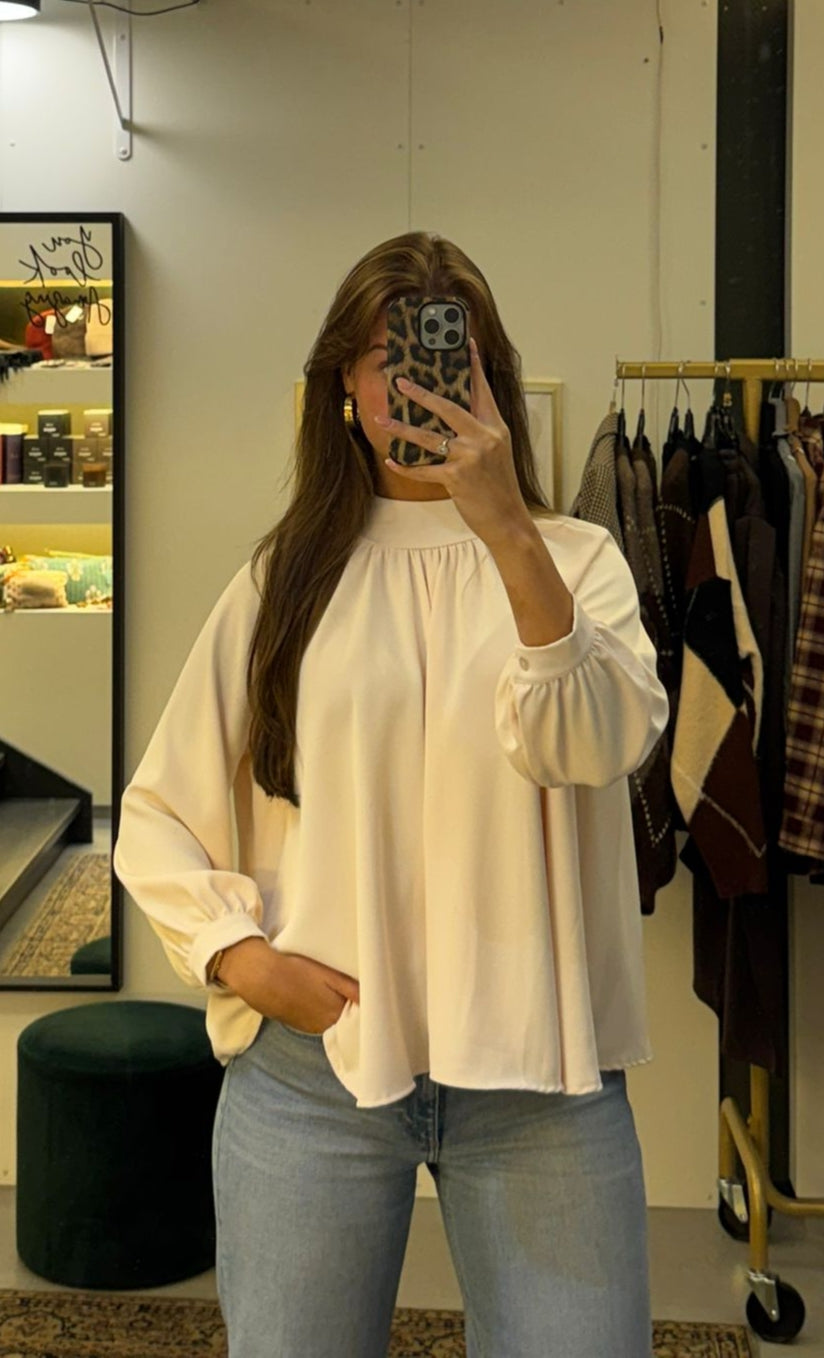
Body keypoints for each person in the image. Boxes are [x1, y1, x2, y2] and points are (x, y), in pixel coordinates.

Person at [114, 230, 669, 1358]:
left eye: (446, 353)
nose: (417, 381)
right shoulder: (284, 581)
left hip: (543, 1079)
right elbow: (157, 812)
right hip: (314, 1074)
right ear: (344, 387)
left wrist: (506, 530)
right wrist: (239, 958)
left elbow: (596, 742)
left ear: (490, 376)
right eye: (387, 357)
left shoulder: (577, 560)